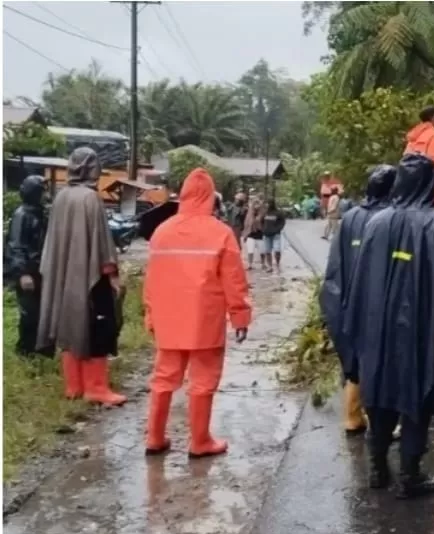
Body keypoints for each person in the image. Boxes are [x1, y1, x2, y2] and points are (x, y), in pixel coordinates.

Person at [341, 153, 434, 498]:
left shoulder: (376, 222)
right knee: (416, 396)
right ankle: (410, 474)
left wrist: (354, 328)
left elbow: (358, 282)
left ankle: (377, 468)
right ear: (430, 185)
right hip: (422, 330)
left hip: (375, 329)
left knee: (379, 394)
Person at [143, 168, 251, 458]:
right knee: (203, 380)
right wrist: (240, 317)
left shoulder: (162, 232)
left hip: (168, 321)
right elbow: (234, 281)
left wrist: (151, 315)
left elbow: (151, 281)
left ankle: (154, 437)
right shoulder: (221, 233)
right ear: (210, 197)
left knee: (164, 377)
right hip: (204, 321)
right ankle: (200, 441)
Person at [36, 148, 127, 405]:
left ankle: (73, 386)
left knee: (69, 325)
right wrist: (112, 276)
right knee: (99, 326)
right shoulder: (90, 198)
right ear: (92, 168)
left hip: (64, 276)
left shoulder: (61, 197)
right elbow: (101, 244)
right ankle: (96, 388)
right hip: (90, 277)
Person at [320, 165, 397, 436]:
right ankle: (383, 421)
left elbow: (335, 266)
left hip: (348, 303)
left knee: (354, 361)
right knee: (383, 361)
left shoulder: (351, 218)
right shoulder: (393, 219)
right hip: (380, 304)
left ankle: (353, 418)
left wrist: (331, 306)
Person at [4, 175, 52, 357]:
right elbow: (15, 246)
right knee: (30, 316)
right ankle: (25, 352)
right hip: (28, 273)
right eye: (42, 190)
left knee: (44, 314)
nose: (46, 194)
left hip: (41, 272)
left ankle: (43, 352)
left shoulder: (40, 213)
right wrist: (23, 273)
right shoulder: (21, 215)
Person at [404, 106, 434, 209]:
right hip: (428, 192)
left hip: (411, 190)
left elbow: (404, 162)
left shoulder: (414, 136)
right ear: (433, 117)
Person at [261, 199, 286, 272]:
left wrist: (278, 229)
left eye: (269, 203)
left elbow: (282, 222)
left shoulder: (278, 213)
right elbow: (261, 221)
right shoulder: (265, 213)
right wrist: (263, 229)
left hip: (276, 235)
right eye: (267, 204)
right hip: (266, 234)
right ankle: (270, 266)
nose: (268, 205)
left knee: (277, 250)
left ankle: (277, 264)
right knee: (267, 251)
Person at [243, 198, 265, 270]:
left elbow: (265, 224)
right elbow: (246, 224)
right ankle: (250, 264)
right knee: (250, 250)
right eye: (255, 203)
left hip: (260, 234)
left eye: (257, 203)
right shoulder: (249, 213)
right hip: (250, 234)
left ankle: (263, 263)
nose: (256, 205)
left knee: (262, 250)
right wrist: (245, 235)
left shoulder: (262, 213)